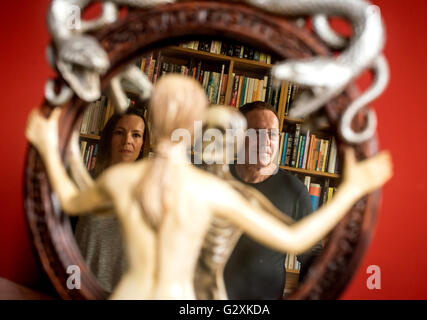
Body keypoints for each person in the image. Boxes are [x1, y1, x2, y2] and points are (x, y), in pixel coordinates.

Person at [26, 74, 392, 300]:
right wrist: (351, 189)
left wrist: (49, 144)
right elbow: (294, 240)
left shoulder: (122, 179)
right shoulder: (210, 189)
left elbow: (71, 200)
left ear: (153, 124)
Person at [224, 101, 322, 299]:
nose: (267, 141)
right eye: (258, 133)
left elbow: (312, 255)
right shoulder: (216, 180)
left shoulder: (294, 190)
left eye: (273, 134)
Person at [74, 106, 151, 293]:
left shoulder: (150, 193)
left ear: (142, 145)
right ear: (109, 138)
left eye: (136, 135)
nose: (127, 141)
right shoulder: (84, 182)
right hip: (80, 289)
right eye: (120, 133)